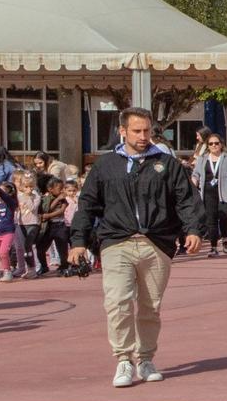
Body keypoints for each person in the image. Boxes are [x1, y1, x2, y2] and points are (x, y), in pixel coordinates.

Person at [70, 107, 204, 386]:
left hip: (156, 244)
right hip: (116, 242)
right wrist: (78, 241)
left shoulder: (166, 164)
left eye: (147, 130)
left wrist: (193, 229)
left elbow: (186, 200)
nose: (144, 136)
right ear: (122, 131)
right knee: (117, 302)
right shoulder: (105, 166)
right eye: (137, 131)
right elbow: (87, 205)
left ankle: (144, 358)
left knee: (149, 306)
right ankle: (123, 360)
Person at [191, 133, 227, 256]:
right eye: (211, 144)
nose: (214, 145)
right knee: (211, 220)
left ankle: (225, 238)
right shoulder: (203, 159)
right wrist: (193, 184)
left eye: (216, 143)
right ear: (207, 146)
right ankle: (213, 247)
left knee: (224, 218)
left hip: (225, 194)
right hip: (208, 194)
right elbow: (195, 174)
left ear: (221, 144)